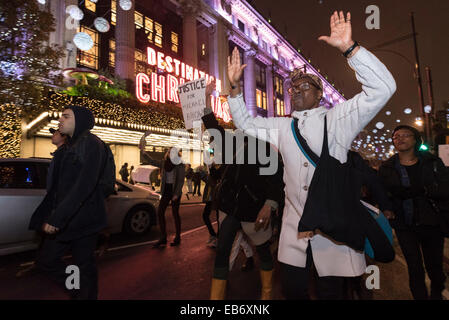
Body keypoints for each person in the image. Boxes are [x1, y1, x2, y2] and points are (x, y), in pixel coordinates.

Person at [226, 11, 396, 299]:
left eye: (307, 86)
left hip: (334, 235)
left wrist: (349, 49)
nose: (298, 90)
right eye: (294, 87)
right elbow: (246, 123)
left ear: (320, 96)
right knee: (293, 292)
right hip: (295, 234)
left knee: (332, 293)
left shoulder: (339, 119)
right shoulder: (283, 126)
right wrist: (233, 88)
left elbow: (384, 88)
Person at [201, 81, 285, 300]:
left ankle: (266, 293)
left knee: (263, 250)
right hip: (230, 208)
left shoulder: (264, 144)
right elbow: (212, 127)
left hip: (254, 211)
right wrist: (206, 98)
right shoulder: (231, 140)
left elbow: (276, 180)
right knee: (222, 251)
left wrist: (270, 204)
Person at [29, 105, 110, 300]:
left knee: (84, 266)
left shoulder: (92, 144)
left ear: (79, 121)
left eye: (66, 116)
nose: (60, 120)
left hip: (83, 220)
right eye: (61, 116)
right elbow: (59, 188)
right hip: (67, 219)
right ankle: (78, 290)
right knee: (47, 262)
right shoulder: (68, 147)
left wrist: (57, 218)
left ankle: (84, 294)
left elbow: (84, 185)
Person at [379, 125, 449, 300]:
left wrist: (424, 190)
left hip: (432, 221)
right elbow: (381, 192)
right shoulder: (387, 167)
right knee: (415, 267)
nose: (400, 138)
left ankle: (436, 294)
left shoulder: (432, 162)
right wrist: (387, 208)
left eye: (405, 135)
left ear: (416, 139)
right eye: (396, 136)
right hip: (405, 224)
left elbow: (445, 187)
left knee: (435, 268)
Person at [16, 128, 68, 278]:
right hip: (52, 198)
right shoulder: (59, 154)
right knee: (42, 231)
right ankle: (41, 264)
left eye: (56, 133)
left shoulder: (65, 155)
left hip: (56, 200)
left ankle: (66, 275)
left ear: (63, 137)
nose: (53, 135)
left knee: (49, 233)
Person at [147, 147, 186, 247]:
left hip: (175, 190)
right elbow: (152, 161)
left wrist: (176, 194)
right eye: (169, 152)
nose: (170, 153)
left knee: (175, 214)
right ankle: (163, 237)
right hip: (166, 190)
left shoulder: (180, 164)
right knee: (160, 212)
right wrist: (143, 152)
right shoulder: (164, 163)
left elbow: (181, 180)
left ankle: (178, 237)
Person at [202, 162, 223, 247]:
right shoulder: (215, 169)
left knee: (218, 218)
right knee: (209, 216)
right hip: (212, 196)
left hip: (214, 196)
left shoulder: (219, 169)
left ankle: (216, 237)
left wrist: (203, 174)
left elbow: (212, 182)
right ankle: (215, 235)